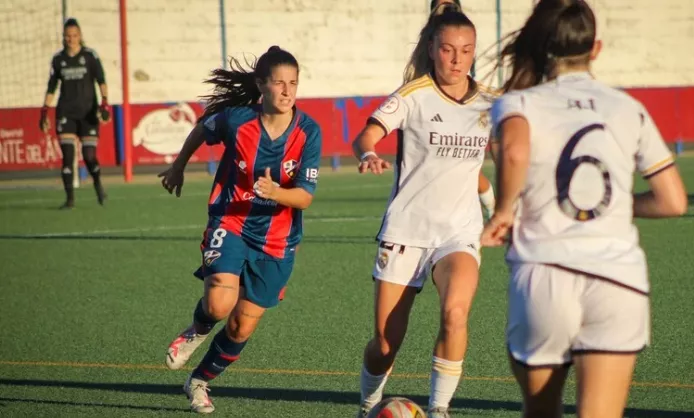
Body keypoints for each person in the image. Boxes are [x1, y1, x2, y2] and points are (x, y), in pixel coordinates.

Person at [481, 1, 688, 417]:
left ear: (539, 47)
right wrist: (612, 206)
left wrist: (504, 209)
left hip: (545, 274)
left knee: (541, 411)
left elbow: (517, 149)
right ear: (596, 49)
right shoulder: (629, 108)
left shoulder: (519, 104)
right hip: (617, 279)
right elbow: (673, 201)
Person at [158, 46, 322, 414]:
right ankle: (196, 331)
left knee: (241, 327)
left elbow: (305, 198)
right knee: (219, 303)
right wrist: (178, 166)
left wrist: (277, 192)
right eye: (279, 82)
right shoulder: (237, 120)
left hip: (278, 239)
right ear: (261, 85)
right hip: (230, 220)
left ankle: (199, 382)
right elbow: (203, 128)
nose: (287, 91)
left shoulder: (309, 131)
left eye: (293, 83)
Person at [353, 5, 494, 418]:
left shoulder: (490, 103)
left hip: (458, 234)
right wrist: (368, 153)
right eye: (448, 49)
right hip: (406, 232)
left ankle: (439, 410)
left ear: (473, 52)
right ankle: (368, 405)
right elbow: (368, 134)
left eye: (465, 51)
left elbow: (505, 156)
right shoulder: (412, 96)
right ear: (432, 48)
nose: (456, 59)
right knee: (384, 345)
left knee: (455, 313)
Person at [426, 0, 497, 219]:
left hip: (456, 102)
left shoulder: (459, 34)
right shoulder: (428, 41)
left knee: (463, 165)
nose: (443, 7)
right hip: (428, 103)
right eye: (439, 3)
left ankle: (494, 206)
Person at [39, 18, 110, 209]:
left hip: (88, 114)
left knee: (89, 156)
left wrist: (104, 104)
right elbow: (52, 87)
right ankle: (70, 199)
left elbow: (101, 81)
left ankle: (98, 185)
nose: (71, 39)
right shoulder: (58, 60)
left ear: (80, 36)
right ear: (64, 37)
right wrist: (44, 112)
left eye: (75, 35)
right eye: (68, 36)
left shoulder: (90, 56)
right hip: (66, 113)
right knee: (68, 157)